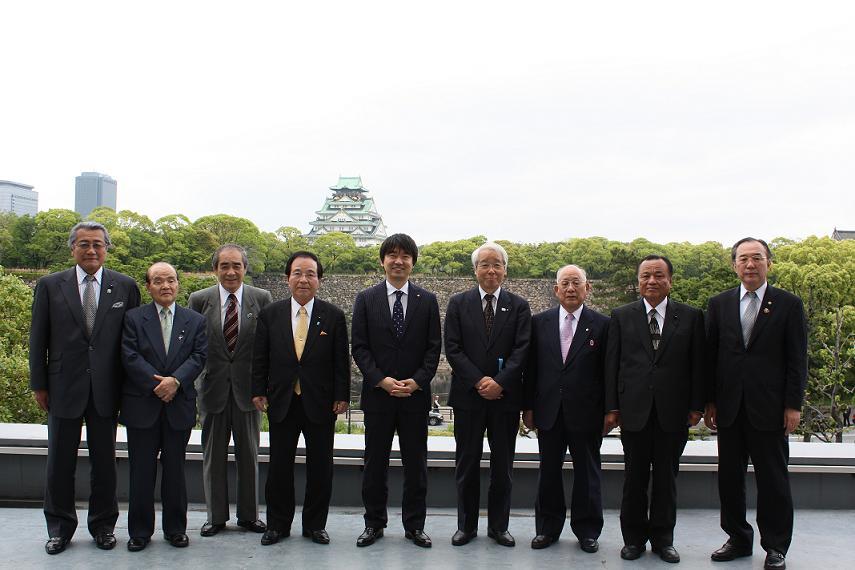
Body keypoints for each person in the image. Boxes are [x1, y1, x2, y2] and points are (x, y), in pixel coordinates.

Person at [29, 221, 141, 555]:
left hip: (108, 387)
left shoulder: (125, 287)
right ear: (72, 248)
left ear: (107, 248)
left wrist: (130, 389)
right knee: (59, 461)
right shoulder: (51, 285)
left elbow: (131, 342)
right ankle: (60, 528)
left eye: (97, 244)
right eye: (84, 244)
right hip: (63, 385)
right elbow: (38, 338)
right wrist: (39, 384)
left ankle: (103, 526)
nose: (91, 250)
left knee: (105, 462)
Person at [704, 238, 807, 570]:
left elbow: (797, 360)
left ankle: (776, 546)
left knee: (773, 480)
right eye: (743, 259)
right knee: (729, 479)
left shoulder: (788, 304)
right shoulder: (718, 304)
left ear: (769, 263)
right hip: (730, 407)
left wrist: (793, 405)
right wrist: (710, 401)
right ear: (734, 265)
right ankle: (737, 538)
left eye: (757, 258)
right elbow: (711, 357)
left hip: (771, 408)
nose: (750, 264)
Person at [604, 255, 705, 564]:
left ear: (670, 280)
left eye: (658, 275)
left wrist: (696, 406)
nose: (652, 281)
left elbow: (698, 365)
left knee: (666, 480)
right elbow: (612, 365)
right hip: (633, 411)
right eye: (645, 275)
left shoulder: (690, 317)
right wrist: (612, 407)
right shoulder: (621, 316)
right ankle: (633, 539)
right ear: (638, 281)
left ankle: (663, 539)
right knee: (633, 480)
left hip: (673, 412)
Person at [251, 251, 350, 546]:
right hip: (282, 400)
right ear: (287, 278)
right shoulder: (271, 314)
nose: (304, 279)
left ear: (319, 279)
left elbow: (340, 361)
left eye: (310, 274)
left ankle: (315, 525)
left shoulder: (333, 315)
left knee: (321, 467)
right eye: (297, 273)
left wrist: (342, 396)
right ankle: (278, 525)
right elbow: (260, 356)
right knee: (279, 466)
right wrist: (258, 390)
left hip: (320, 402)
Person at [351, 233, 441, 548]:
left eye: (405, 255)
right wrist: (382, 380)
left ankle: (414, 526)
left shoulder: (427, 301)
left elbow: (433, 349)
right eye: (392, 255)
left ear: (413, 262)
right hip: (378, 397)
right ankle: (374, 524)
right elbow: (359, 348)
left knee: (416, 465)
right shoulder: (366, 298)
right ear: (382, 260)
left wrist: (417, 381)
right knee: (374, 463)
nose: (398, 260)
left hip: (415, 399)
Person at [444, 242, 531, 547]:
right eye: (485, 264)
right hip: (469, 397)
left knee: (503, 466)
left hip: (504, 399)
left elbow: (522, 350)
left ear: (505, 270)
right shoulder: (458, 303)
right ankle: (465, 526)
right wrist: (481, 381)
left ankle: (499, 527)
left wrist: (500, 383)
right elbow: (452, 348)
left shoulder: (519, 306)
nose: (491, 270)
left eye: (497, 264)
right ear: (475, 270)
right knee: (466, 464)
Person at [120, 262, 207, 552]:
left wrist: (176, 382)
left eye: (170, 280)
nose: (165, 286)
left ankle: (175, 529)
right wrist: (158, 385)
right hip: (142, 405)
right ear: (148, 286)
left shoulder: (194, 320)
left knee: (175, 472)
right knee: (141, 473)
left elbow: (199, 356)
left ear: (178, 284)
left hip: (178, 405)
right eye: (158, 281)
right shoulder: (133, 318)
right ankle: (140, 532)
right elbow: (129, 356)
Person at [523, 264, 609, 553]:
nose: (571, 288)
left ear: (588, 288)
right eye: (565, 284)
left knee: (588, 473)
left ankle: (587, 530)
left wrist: (611, 410)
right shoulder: (539, 322)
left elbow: (608, 372)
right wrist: (528, 407)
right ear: (556, 289)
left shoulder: (602, 324)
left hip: (587, 411)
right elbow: (530, 369)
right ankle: (547, 528)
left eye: (577, 283)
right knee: (548, 471)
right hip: (548, 409)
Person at [188, 244, 272, 537]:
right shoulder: (199, 300)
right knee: (213, 457)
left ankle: (249, 515)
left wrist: (264, 388)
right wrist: (196, 385)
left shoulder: (261, 298)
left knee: (250, 456)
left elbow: (267, 348)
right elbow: (192, 348)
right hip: (212, 390)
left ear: (245, 268)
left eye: (236, 265)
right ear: (215, 269)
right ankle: (215, 517)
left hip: (249, 392)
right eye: (224, 266)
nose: (231, 271)